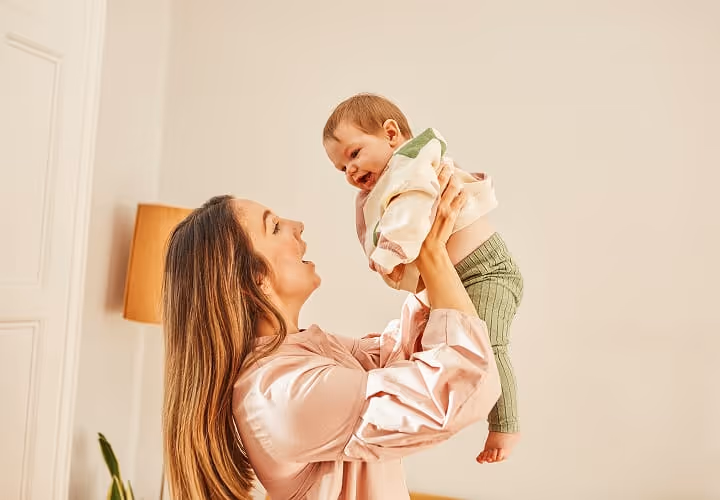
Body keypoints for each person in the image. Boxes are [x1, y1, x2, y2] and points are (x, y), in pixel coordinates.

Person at [161, 166, 502, 500]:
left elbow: (398, 356)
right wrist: (432, 257)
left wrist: (422, 270)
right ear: (255, 281)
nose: (298, 226)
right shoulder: (283, 393)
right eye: (276, 227)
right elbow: (462, 386)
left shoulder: (306, 353)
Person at [323, 93, 524, 464]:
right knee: (434, 355)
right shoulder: (383, 188)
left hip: (487, 271)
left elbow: (412, 214)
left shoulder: (412, 164)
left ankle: (505, 426)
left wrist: (388, 252)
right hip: (455, 279)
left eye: (354, 154)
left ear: (391, 134)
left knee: (488, 345)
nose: (350, 171)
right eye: (341, 169)